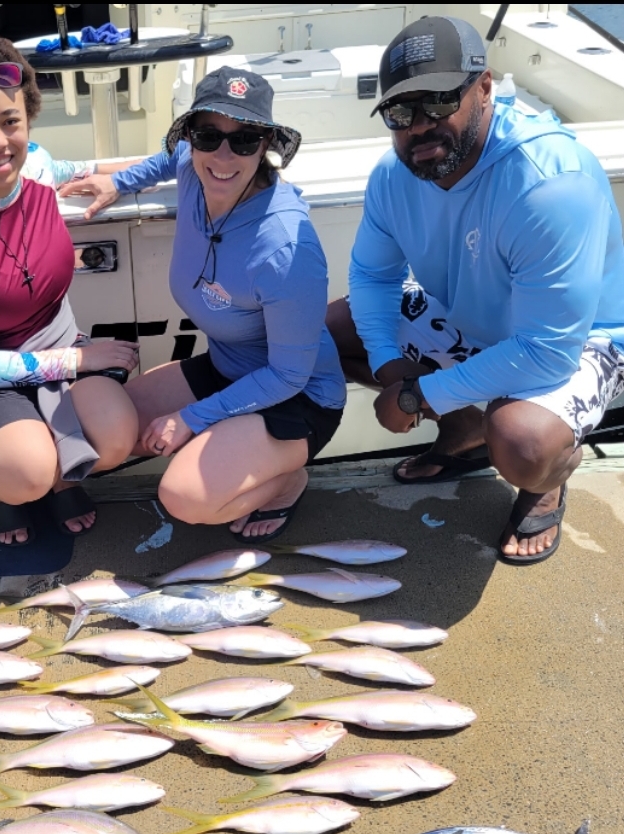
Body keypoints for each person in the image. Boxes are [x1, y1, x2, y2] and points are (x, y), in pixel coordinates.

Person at [327, 15, 624, 564]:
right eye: (400, 111)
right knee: (331, 333)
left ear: (484, 86)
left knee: (523, 442)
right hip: (470, 319)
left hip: (576, 342)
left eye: (439, 101)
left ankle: (548, 478)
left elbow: (545, 351)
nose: (419, 126)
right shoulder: (392, 176)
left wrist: (419, 396)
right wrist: (393, 368)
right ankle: (466, 430)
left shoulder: (550, 182)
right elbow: (372, 276)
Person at [61, 67, 346, 542]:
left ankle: (286, 483)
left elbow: (289, 375)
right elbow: (165, 159)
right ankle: (229, 438)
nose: (223, 155)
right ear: (191, 135)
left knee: (182, 497)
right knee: (110, 430)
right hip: (226, 367)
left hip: (297, 397)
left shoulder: (286, 249)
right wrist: (119, 182)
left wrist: (191, 419)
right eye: (208, 135)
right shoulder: (194, 168)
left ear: (266, 144)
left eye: (246, 139)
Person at [0, 35, 141, 546]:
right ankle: (3, 489)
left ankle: (62, 473)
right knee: (26, 474)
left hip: (60, 344)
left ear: (28, 120)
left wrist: (185, 163)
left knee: (120, 437)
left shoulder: (35, 165)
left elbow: (86, 171)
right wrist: (79, 362)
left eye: (10, 122)